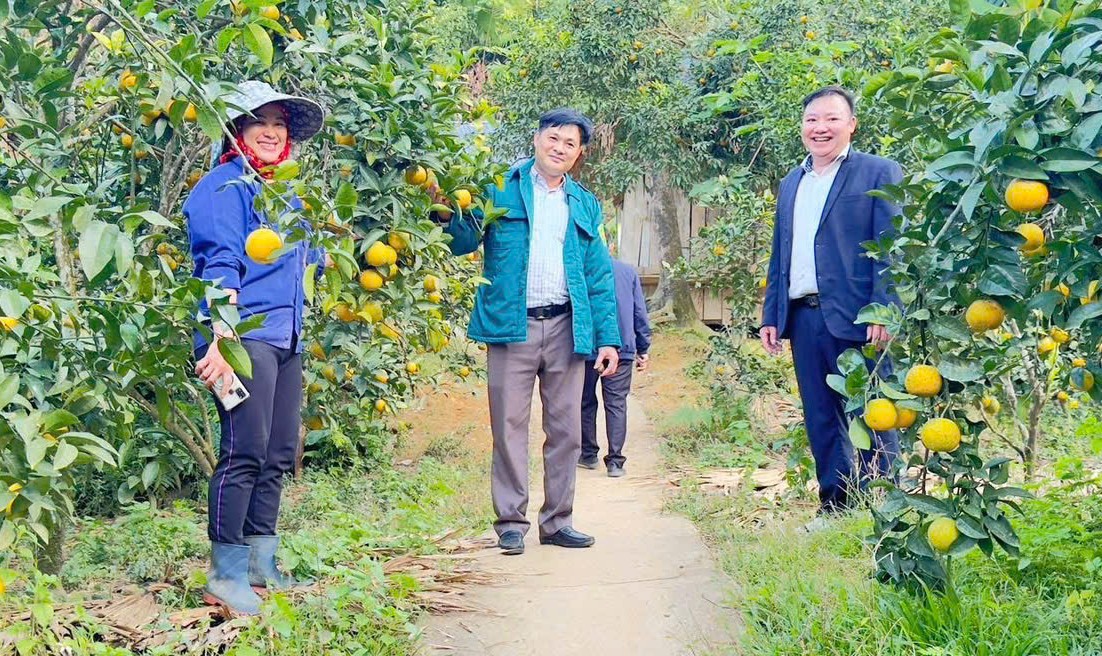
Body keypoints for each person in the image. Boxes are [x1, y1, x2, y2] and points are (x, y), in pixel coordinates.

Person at [432, 108, 621, 555]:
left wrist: (609, 338)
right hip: (511, 326)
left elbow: (598, 275)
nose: (560, 148)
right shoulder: (499, 187)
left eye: (570, 143)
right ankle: (510, 522)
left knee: (567, 431)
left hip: (566, 327)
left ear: (579, 153)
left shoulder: (584, 203)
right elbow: (461, 242)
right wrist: (443, 207)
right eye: (553, 138)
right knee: (509, 427)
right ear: (537, 139)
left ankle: (557, 521)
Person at [185, 80, 327, 614]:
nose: (270, 132)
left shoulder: (285, 195)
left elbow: (305, 260)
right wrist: (222, 339)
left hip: (285, 338)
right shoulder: (223, 187)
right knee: (244, 449)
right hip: (242, 338)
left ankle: (260, 563)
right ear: (235, 131)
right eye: (258, 122)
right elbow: (220, 264)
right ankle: (225, 574)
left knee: (278, 451)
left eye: (279, 124)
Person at [759, 86, 903, 517]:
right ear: (802, 127)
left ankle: (881, 505)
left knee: (873, 410)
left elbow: (891, 246)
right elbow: (781, 252)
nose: (820, 128)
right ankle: (836, 505)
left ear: (851, 125)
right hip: (804, 316)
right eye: (811, 120)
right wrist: (772, 314)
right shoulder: (792, 182)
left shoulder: (878, 172)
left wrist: (884, 309)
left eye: (831, 119)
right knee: (821, 416)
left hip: (860, 317)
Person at [579, 258, 651, 477]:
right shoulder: (627, 272)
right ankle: (615, 462)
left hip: (587, 346)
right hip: (621, 346)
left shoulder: (581, 269)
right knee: (616, 403)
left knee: (584, 401)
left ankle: (588, 454)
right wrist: (643, 347)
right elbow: (639, 312)